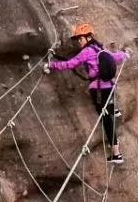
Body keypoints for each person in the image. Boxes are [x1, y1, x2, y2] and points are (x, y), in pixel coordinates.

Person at [45, 23, 129, 165]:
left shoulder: (87, 51)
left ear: (89, 37)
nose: (79, 42)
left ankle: (116, 154)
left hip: (98, 90)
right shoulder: (101, 49)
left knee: (106, 120)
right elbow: (116, 57)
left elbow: (71, 64)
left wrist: (51, 65)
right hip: (109, 88)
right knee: (109, 115)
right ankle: (114, 111)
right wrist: (126, 54)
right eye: (78, 39)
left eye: (80, 38)